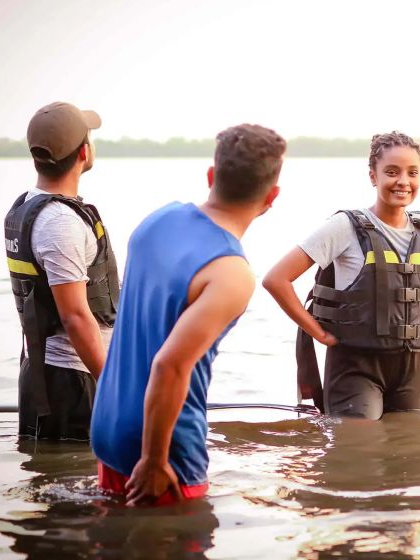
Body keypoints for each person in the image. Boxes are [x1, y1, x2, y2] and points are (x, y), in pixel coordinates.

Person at [90, 124, 287, 507]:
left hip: (109, 425)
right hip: (163, 447)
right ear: (272, 196)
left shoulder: (155, 221)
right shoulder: (231, 272)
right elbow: (169, 366)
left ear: (211, 176)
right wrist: (153, 460)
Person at [263, 131, 420, 420]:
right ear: (373, 176)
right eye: (392, 172)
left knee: (411, 455)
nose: (403, 182)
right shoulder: (344, 227)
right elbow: (276, 279)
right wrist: (317, 332)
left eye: (413, 173)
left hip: (412, 371)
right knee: (359, 452)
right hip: (355, 368)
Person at [4, 101, 120, 440]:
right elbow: (75, 316)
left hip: (49, 375)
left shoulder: (28, 206)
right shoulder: (60, 223)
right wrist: (114, 387)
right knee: (79, 485)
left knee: (53, 481)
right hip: (71, 381)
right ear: (84, 152)